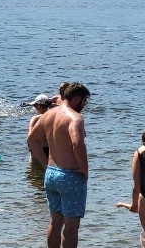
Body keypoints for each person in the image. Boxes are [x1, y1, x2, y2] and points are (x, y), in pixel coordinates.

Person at [33, 82, 91, 248]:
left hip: (51, 173)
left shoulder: (49, 115)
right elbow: (77, 143)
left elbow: (32, 139)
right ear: (77, 98)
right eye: (84, 101)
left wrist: (44, 163)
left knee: (55, 221)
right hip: (70, 175)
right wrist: (84, 168)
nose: (84, 106)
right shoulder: (75, 118)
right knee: (72, 226)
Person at [27, 94, 56, 164]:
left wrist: (32, 152)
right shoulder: (55, 117)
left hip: (39, 151)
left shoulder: (35, 119)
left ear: (39, 106)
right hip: (52, 151)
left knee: (35, 172)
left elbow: (29, 139)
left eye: (35, 105)